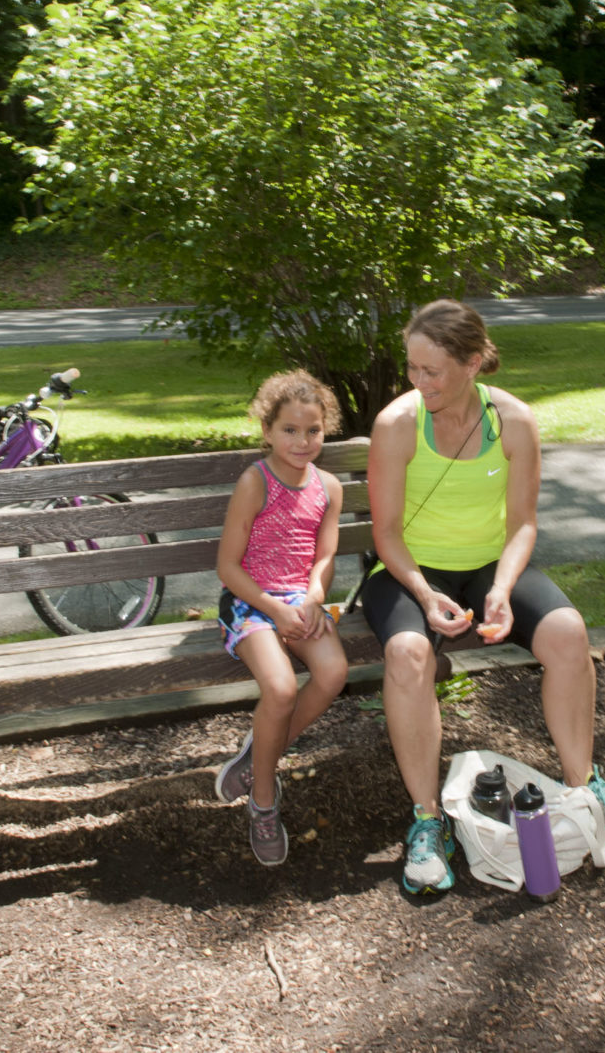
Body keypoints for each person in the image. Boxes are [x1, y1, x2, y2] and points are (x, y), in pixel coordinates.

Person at [363, 298, 605, 895]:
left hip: (489, 568)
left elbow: (521, 524)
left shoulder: (513, 421)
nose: (419, 382)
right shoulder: (397, 425)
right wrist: (424, 592)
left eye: (432, 371)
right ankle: (426, 820)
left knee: (569, 633)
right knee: (409, 655)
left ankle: (583, 787)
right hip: (409, 571)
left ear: (472, 363)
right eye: (412, 368)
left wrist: (502, 587)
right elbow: (385, 534)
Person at [212, 370, 350, 866]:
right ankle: (264, 797)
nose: (302, 440)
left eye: (312, 430)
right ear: (267, 430)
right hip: (251, 601)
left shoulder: (328, 487)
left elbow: (325, 556)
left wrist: (313, 597)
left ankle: (258, 753)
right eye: (290, 430)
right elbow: (227, 566)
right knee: (283, 689)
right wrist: (274, 609)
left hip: (300, 599)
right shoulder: (255, 482)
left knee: (334, 672)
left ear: (324, 430)